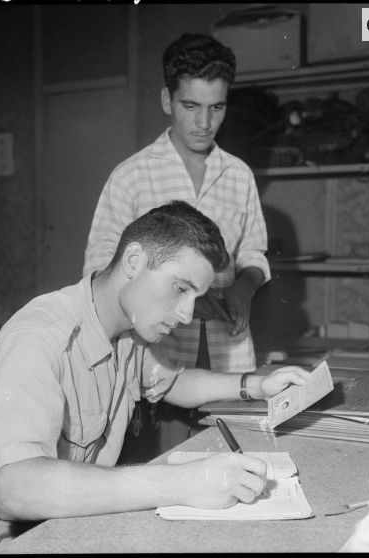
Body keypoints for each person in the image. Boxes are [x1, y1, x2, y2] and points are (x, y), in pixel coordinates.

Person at [0, 201, 308, 552]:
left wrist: (255, 384)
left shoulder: (125, 329)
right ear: (133, 260)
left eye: (196, 297)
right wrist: (186, 482)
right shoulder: (39, 337)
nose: (186, 314)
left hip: (68, 522)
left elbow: (173, 382)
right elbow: (15, 489)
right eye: (180, 289)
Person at [84, 33, 271, 377]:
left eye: (217, 107)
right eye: (191, 106)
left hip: (229, 349)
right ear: (167, 100)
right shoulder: (131, 176)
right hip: (153, 359)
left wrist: (244, 288)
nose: (204, 124)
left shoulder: (239, 175)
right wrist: (180, 296)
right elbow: (99, 270)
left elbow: (253, 253)